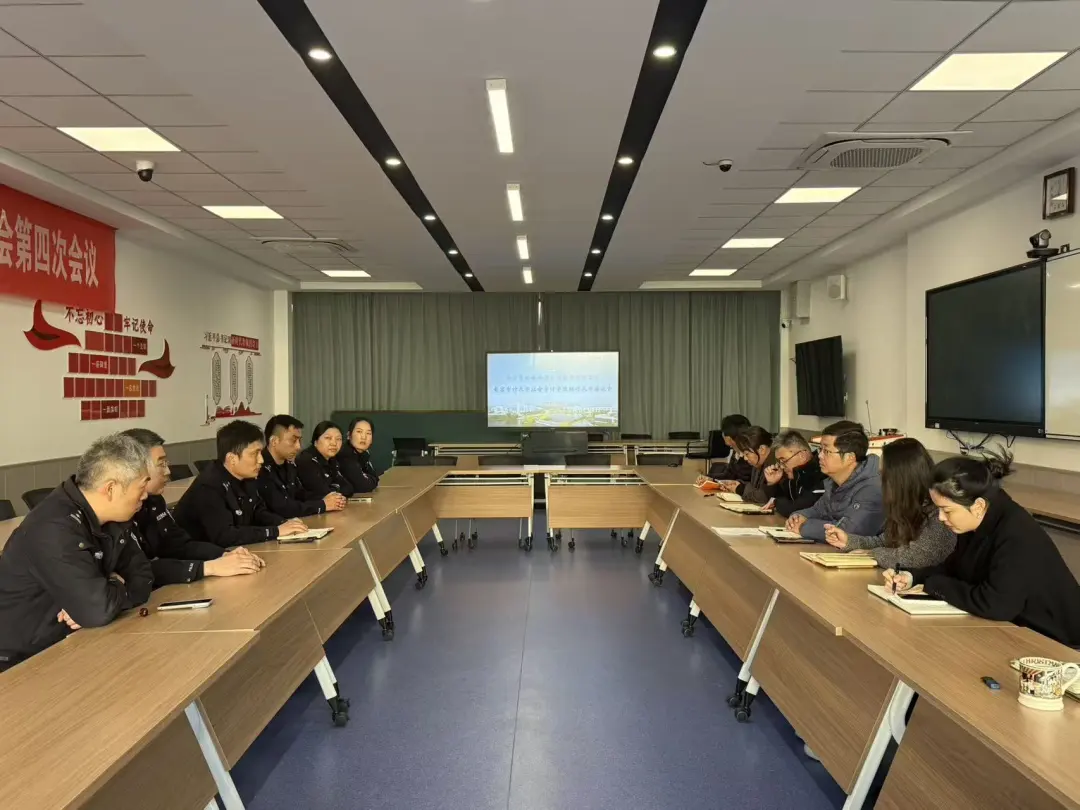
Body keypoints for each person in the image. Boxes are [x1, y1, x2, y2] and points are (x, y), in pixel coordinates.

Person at [884, 450, 1080, 646]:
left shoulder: (1016, 534)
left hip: (1059, 643)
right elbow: (955, 568)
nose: (941, 518)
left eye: (947, 510)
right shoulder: (978, 519)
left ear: (978, 506)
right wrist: (913, 577)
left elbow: (995, 604)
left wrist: (934, 585)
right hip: (1020, 630)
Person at [0, 434, 154, 671]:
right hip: (19, 661)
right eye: (142, 486)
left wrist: (106, 592)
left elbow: (144, 577)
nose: (146, 495)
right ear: (111, 488)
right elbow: (97, 610)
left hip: (69, 643)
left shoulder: (115, 518)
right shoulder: (53, 527)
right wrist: (114, 584)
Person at [123, 428, 265, 585]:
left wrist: (224, 555)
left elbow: (179, 545)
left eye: (166, 463)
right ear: (135, 469)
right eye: (161, 464)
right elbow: (139, 569)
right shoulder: (117, 515)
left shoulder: (154, 501)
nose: (168, 471)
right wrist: (207, 568)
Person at [823, 437, 955, 569]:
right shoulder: (904, 505)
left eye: (884, 475)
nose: (880, 481)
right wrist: (848, 541)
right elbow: (886, 541)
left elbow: (917, 557)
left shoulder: (940, 513)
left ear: (900, 478)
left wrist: (872, 554)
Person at [175, 420, 308, 548]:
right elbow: (225, 536)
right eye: (255, 454)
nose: (261, 460)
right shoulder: (209, 486)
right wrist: (275, 531)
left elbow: (258, 512)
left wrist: (284, 523)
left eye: (260, 453)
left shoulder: (247, 478)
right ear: (232, 458)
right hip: (200, 558)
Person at [786, 420, 883, 542]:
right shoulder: (834, 482)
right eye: (820, 449)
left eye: (826, 451)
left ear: (850, 457)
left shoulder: (872, 487)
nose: (819, 456)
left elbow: (848, 531)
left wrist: (803, 527)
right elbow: (817, 510)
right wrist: (798, 517)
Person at [258, 415, 346, 518]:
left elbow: (300, 494)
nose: (298, 447)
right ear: (274, 441)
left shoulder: (289, 465)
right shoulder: (259, 468)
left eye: (299, 440)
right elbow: (282, 507)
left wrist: (327, 498)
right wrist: (322, 505)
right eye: (293, 440)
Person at [766, 431, 827, 518]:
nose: (782, 466)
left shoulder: (819, 473)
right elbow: (778, 500)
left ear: (802, 455)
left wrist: (776, 502)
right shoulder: (795, 475)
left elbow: (797, 509)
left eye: (784, 460)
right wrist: (773, 483)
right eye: (780, 462)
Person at [295, 421, 355, 499]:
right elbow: (322, 493)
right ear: (315, 441)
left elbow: (349, 488)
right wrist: (336, 488)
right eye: (328, 438)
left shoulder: (332, 460)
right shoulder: (306, 460)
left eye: (338, 439)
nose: (334, 443)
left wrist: (333, 488)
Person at [726, 426, 775, 504]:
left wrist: (740, 489)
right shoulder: (758, 462)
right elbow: (755, 487)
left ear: (762, 449)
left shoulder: (775, 465)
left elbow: (765, 497)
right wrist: (738, 484)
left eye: (747, 454)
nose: (745, 458)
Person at [704, 413, 753, 483]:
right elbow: (728, 475)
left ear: (728, 438)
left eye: (723, 433)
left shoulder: (751, 455)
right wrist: (709, 478)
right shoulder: (735, 452)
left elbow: (746, 481)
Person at [338, 417, 380, 494]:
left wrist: (369, 478)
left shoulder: (364, 454)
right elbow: (363, 486)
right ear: (349, 435)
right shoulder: (345, 454)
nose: (364, 437)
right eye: (359, 431)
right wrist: (369, 478)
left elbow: (375, 478)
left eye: (368, 433)